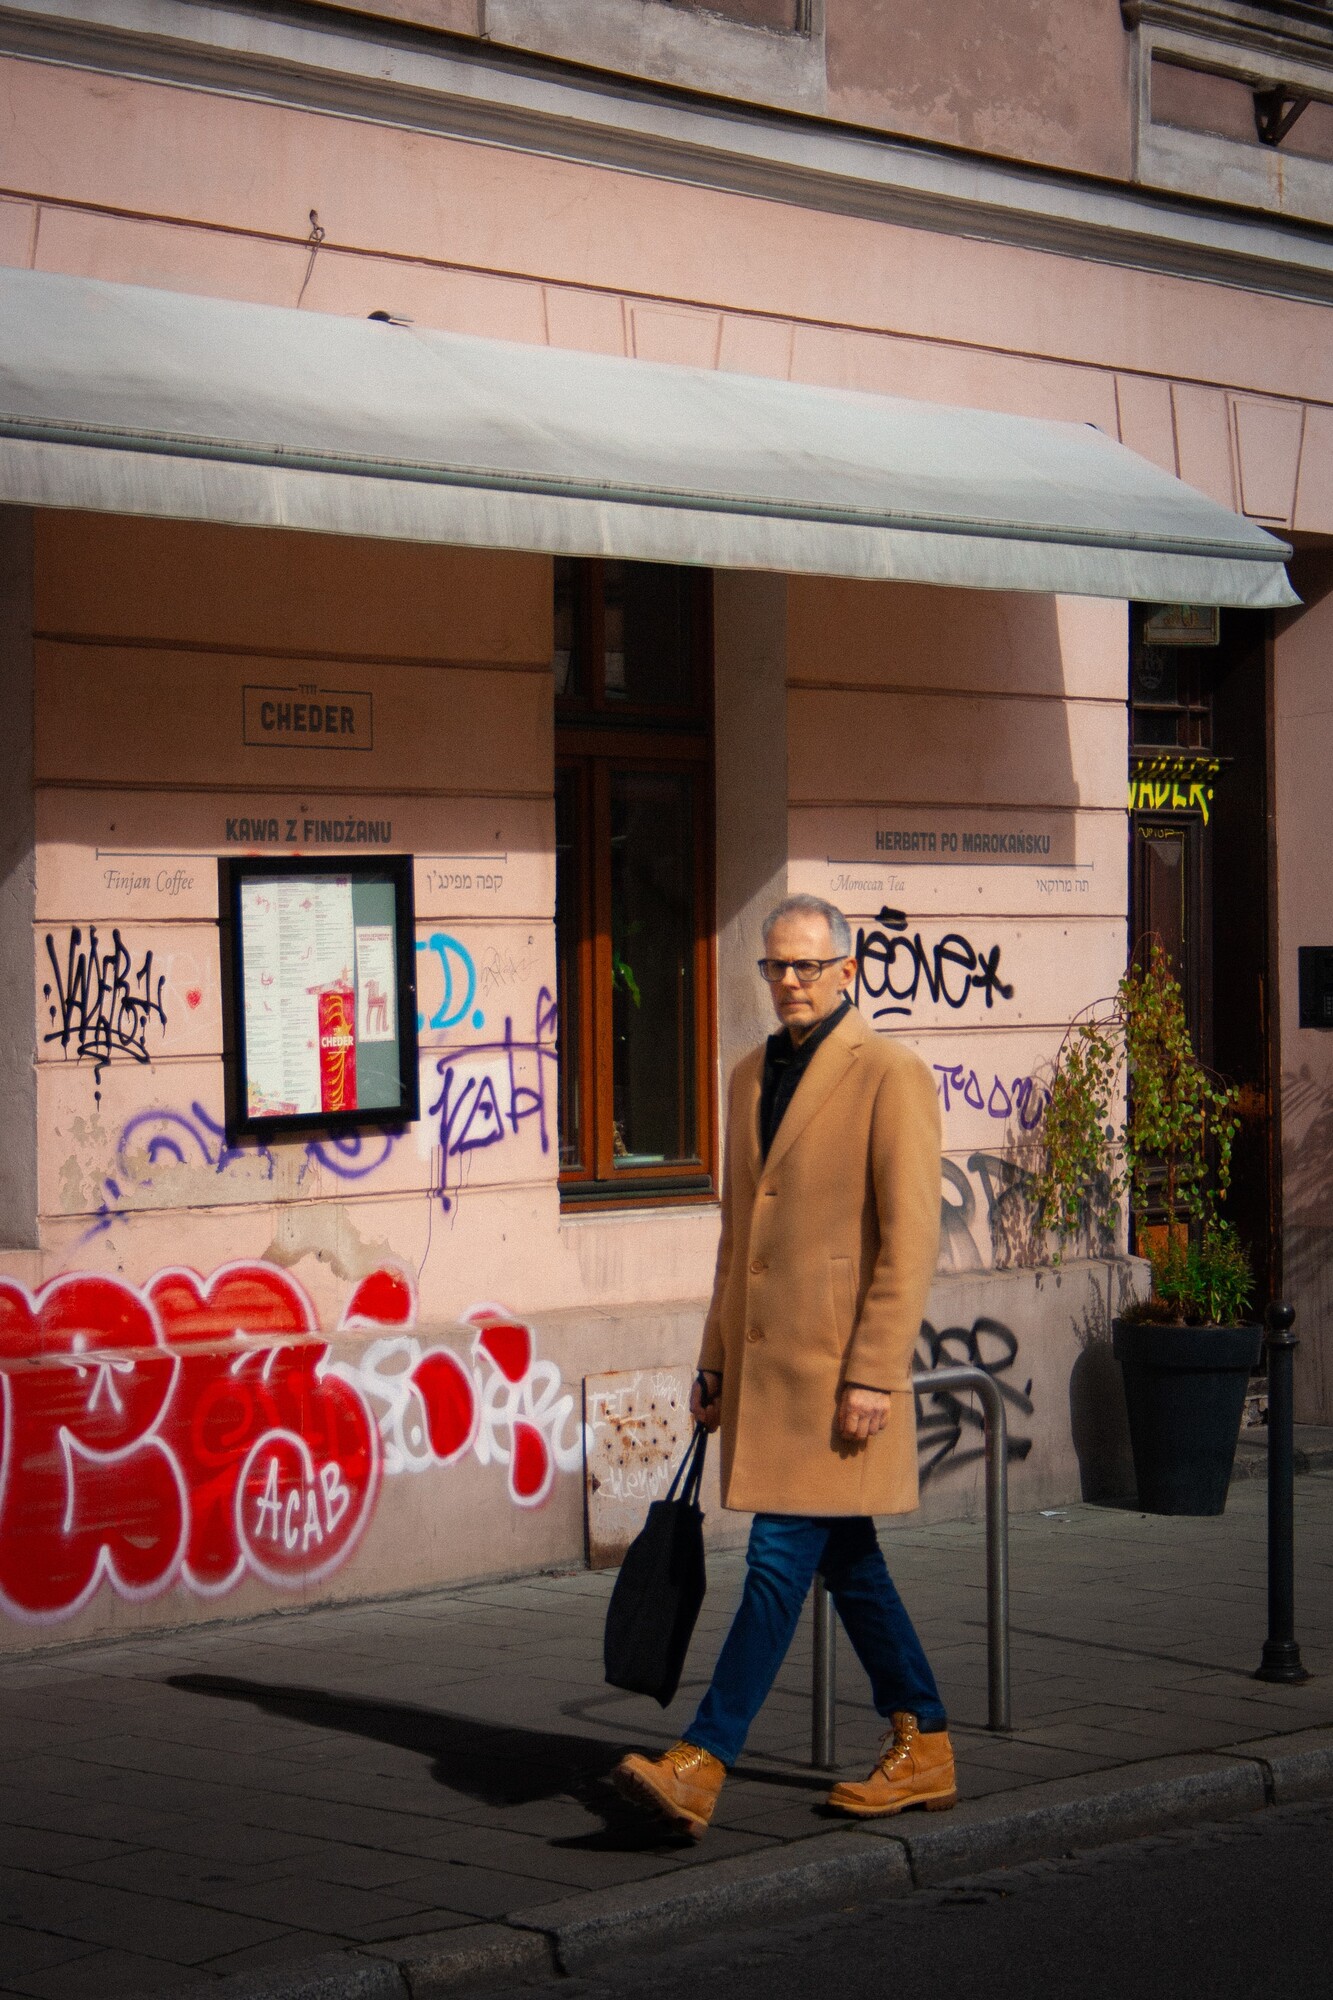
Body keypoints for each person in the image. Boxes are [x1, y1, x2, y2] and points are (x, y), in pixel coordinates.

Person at [613, 894, 954, 1838]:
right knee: (848, 1563)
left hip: (838, 1378)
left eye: (807, 965)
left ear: (847, 969)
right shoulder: (747, 1074)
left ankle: (702, 1759)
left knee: (775, 1562)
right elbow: (740, 1238)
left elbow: (909, 1242)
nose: (790, 982)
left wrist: (874, 1371)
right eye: (775, 966)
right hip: (768, 1376)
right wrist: (714, 1361)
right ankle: (923, 1739)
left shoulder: (888, 1072)